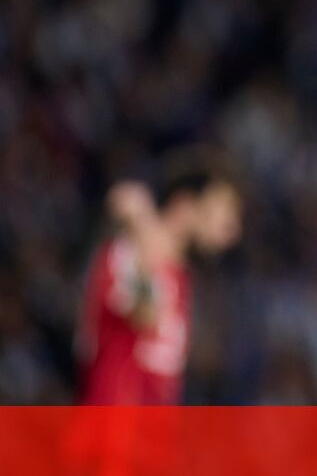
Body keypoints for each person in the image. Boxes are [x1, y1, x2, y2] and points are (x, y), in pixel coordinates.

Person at [75, 148, 243, 405]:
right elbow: (144, 314)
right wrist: (143, 229)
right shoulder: (127, 250)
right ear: (185, 205)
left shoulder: (179, 276)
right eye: (224, 209)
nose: (232, 229)